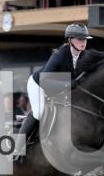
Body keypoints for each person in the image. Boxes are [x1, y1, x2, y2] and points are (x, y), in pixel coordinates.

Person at [17, 23, 92, 155]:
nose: (83, 42)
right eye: (80, 39)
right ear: (70, 40)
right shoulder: (59, 55)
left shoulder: (85, 56)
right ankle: (17, 148)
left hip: (59, 88)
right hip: (39, 84)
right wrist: (67, 84)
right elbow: (44, 80)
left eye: (85, 39)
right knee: (39, 112)